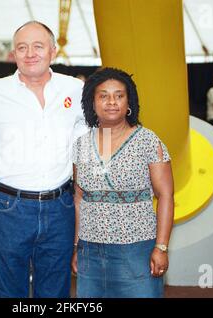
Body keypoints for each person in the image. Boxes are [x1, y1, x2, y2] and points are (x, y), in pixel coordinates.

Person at [0, 21, 88, 298]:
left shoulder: (75, 89)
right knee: (8, 292)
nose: (30, 53)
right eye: (22, 48)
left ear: (53, 51)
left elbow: (88, 125)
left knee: (55, 291)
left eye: (38, 46)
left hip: (60, 207)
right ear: (13, 54)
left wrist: (76, 156)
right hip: (9, 208)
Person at [71, 67, 174, 298]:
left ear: (129, 102)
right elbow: (79, 197)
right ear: (93, 102)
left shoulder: (148, 141)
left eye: (119, 95)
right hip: (91, 249)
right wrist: (77, 246)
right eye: (103, 95)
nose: (111, 102)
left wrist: (161, 246)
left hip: (137, 249)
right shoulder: (81, 144)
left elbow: (165, 195)